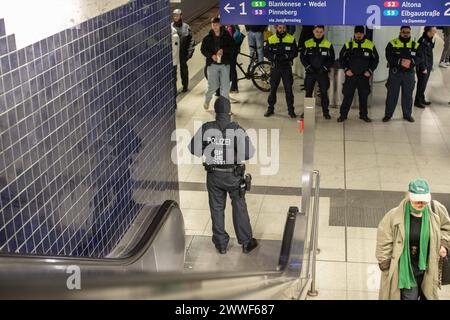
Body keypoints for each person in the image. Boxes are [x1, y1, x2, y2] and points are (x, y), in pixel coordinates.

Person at [189, 97, 258, 254]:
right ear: (229, 112)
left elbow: (194, 149)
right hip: (234, 177)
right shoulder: (237, 129)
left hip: (214, 176)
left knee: (216, 208)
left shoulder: (207, 128)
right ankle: (246, 242)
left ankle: (221, 244)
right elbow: (248, 153)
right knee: (239, 207)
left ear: (215, 112)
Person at [376, 179, 450, 300]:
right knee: (409, 297)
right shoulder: (394, 215)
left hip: (428, 268)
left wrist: (443, 244)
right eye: (417, 201)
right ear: (409, 197)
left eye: (424, 201)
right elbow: (384, 240)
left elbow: (447, 229)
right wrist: (385, 262)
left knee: (429, 295)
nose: (421, 204)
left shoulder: (436, 210)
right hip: (407, 269)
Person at [337, 26, 379, 123]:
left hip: (363, 77)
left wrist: (370, 71)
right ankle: (343, 115)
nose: (359, 35)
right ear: (354, 33)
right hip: (351, 76)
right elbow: (341, 58)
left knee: (363, 97)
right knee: (347, 96)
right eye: (357, 33)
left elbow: (375, 60)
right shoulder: (348, 45)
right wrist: (346, 69)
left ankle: (363, 115)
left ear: (363, 34)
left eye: (360, 33)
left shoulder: (370, 45)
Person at [383, 26, 423, 123]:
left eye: (408, 32)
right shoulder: (393, 43)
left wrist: (412, 62)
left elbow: (420, 57)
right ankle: (388, 115)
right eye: (403, 32)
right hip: (395, 74)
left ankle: (407, 115)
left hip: (409, 75)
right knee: (392, 95)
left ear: (410, 33)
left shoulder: (415, 45)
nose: (405, 33)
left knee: (408, 95)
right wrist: (400, 61)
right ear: (400, 32)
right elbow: (389, 56)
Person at [300, 25, 335, 119]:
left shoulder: (328, 44)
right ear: (313, 32)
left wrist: (324, 68)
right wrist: (308, 67)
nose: (318, 34)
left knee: (324, 93)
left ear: (323, 32)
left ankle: (325, 112)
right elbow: (303, 57)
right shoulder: (307, 43)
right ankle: (308, 112)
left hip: (322, 73)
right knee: (308, 93)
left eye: (320, 32)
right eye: (317, 31)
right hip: (310, 73)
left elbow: (331, 59)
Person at [263, 24, 298, 118]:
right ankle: (270, 109)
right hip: (275, 68)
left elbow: (295, 52)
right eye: (280, 28)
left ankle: (291, 111)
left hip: (286, 68)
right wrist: (274, 57)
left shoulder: (291, 38)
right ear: (276, 28)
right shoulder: (271, 39)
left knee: (289, 90)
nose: (282, 29)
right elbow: (266, 52)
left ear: (286, 28)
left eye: (284, 28)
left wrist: (286, 57)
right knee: (273, 89)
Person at [201, 17, 234, 110]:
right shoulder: (207, 38)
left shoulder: (227, 36)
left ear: (220, 25)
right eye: (213, 25)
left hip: (224, 65)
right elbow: (203, 50)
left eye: (216, 24)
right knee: (213, 86)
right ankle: (207, 100)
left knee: (225, 87)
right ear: (211, 26)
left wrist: (223, 50)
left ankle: (226, 109)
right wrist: (211, 55)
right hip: (212, 65)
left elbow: (232, 48)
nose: (215, 26)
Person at [172, 9, 196, 93]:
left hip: (183, 53)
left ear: (181, 16)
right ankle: (173, 89)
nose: (175, 17)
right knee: (173, 72)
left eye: (177, 15)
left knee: (184, 70)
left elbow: (192, 40)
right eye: (174, 15)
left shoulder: (186, 27)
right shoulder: (171, 27)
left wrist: (189, 53)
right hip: (173, 54)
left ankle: (185, 86)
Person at [415, 26, 437, 108]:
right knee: (421, 84)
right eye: (433, 32)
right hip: (423, 67)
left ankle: (421, 98)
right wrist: (423, 67)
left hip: (427, 66)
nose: (435, 33)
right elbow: (420, 56)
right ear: (428, 32)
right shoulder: (422, 41)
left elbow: (428, 55)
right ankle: (417, 101)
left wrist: (430, 65)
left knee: (424, 84)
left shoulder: (429, 40)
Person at [171, 25, 180, 107]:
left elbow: (174, 52)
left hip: (172, 64)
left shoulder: (174, 36)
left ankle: (174, 102)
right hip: (167, 63)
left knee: (173, 82)